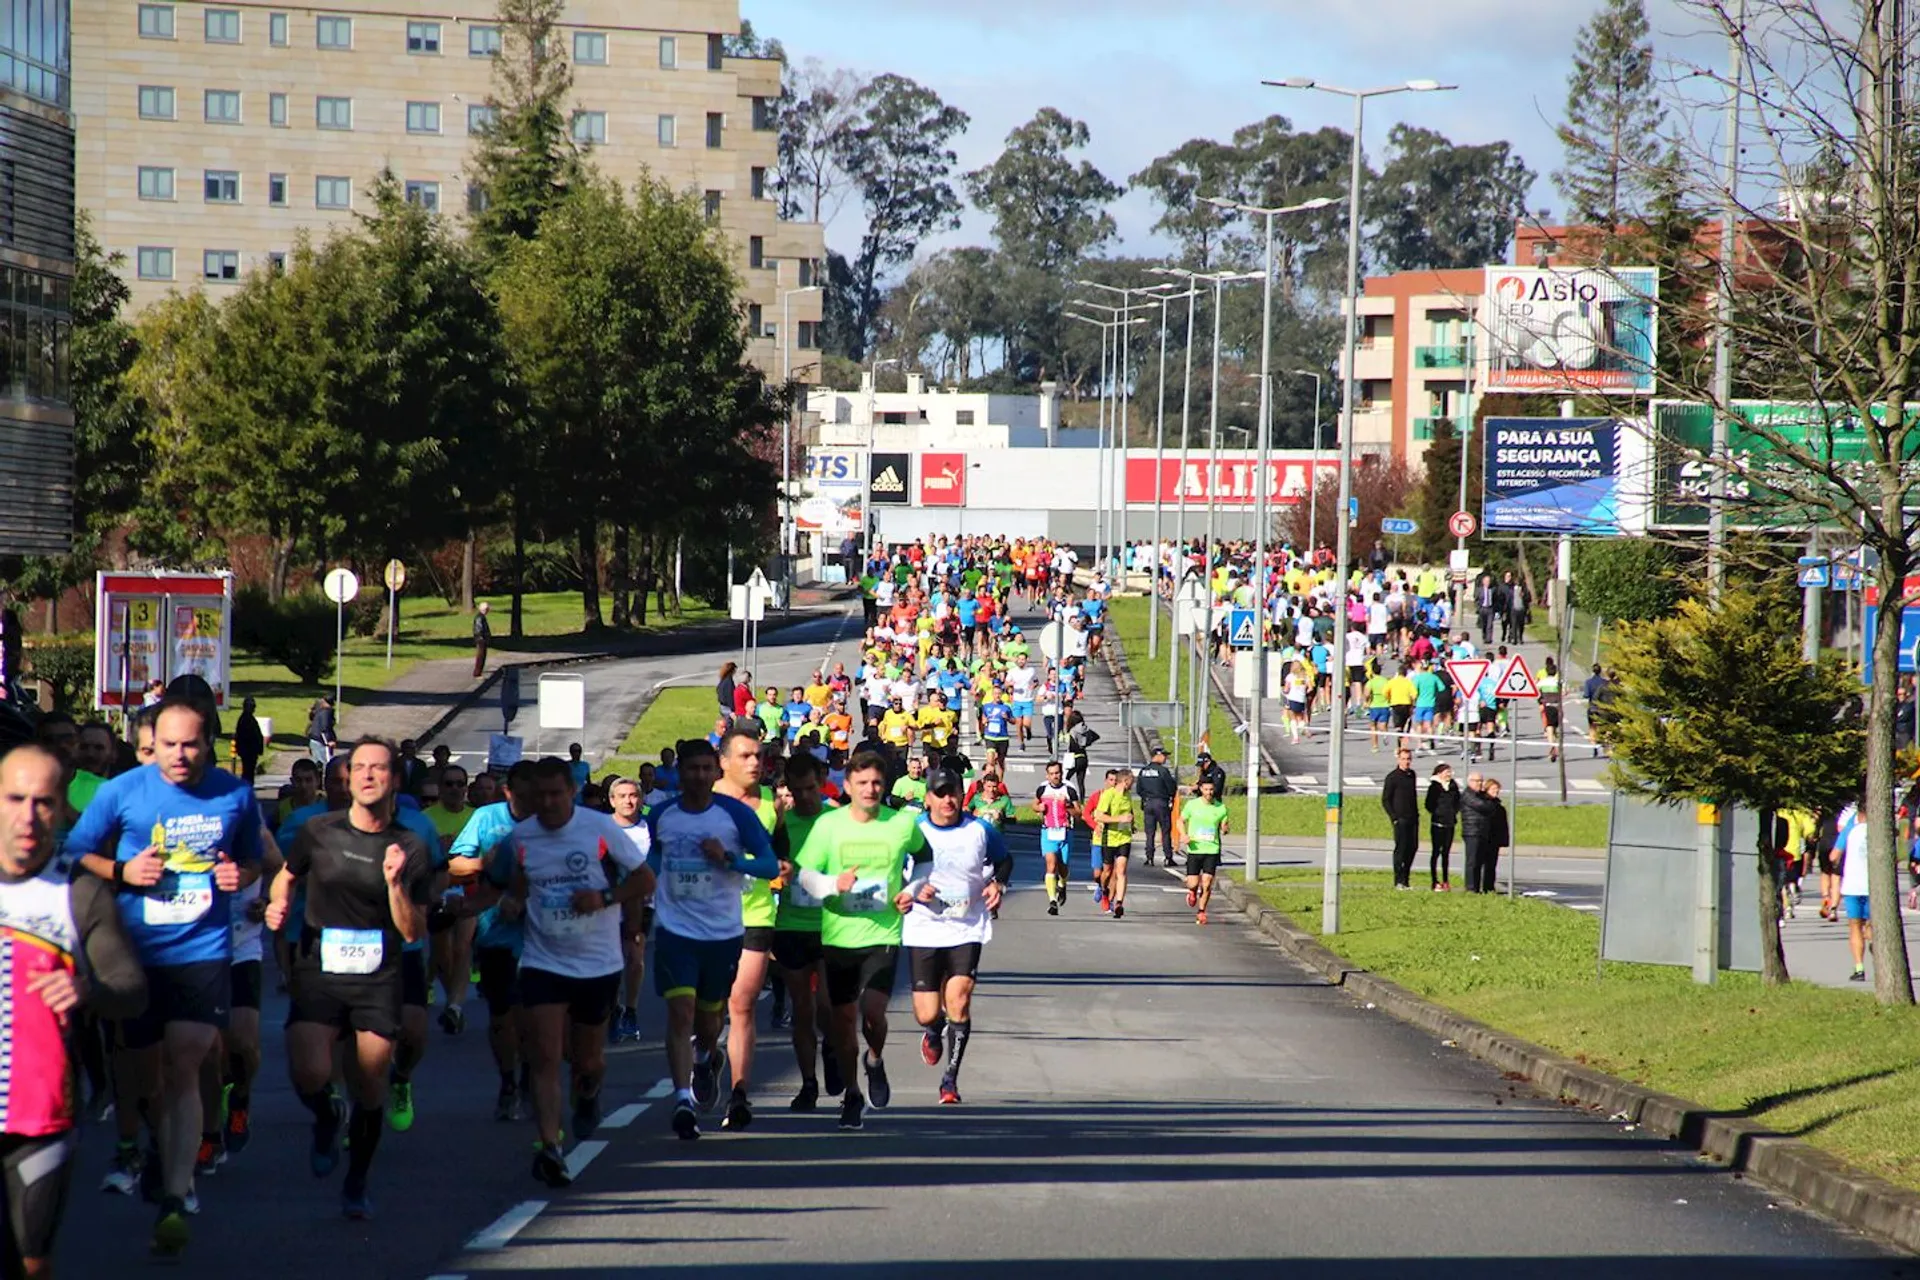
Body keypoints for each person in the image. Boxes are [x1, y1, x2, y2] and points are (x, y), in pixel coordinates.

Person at [65, 697, 263, 1257]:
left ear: (209, 743)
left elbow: (252, 861)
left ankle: (177, 1194)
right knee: (143, 1075)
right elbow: (78, 854)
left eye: (191, 744)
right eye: (169, 743)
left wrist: (236, 873)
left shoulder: (235, 794)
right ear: (154, 742)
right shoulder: (123, 792)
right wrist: (123, 870)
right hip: (134, 952)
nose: (179, 754)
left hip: (202, 950)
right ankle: (154, 1147)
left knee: (185, 1060)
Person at [266, 737, 434, 1219]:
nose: (365, 776)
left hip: (379, 974)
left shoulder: (410, 845)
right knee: (309, 1072)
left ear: (394, 780)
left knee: (369, 1079)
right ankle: (325, 1115)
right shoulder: (318, 831)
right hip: (320, 966)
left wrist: (396, 884)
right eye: (357, 768)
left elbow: (412, 928)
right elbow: (287, 875)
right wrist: (280, 901)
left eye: (377, 769)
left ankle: (357, 1179)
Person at [0, 744, 148, 1279]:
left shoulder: (78, 891)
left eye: (43, 802)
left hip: (40, 1114)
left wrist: (87, 990)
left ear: (64, 808)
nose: (28, 815)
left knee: (28, 1262)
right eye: (15, 798)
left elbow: (131, 988)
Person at [476, 757, 652, 1184]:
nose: (549, 802)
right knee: (545, 1056)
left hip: (597, 962)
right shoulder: (521, 837)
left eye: (557, 793)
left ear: (572, 792)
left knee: (587, 1060)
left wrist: (605, 896)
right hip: (542, 959)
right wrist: (502, 903)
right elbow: (502, 882)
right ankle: (550, 1146)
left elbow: (645, 880)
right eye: (541, 796)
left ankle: (588, 1094)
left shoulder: (599, 829)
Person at [644, 740, 780, 1141]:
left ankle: (706, 1056)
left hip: (722, 932)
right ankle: (682, 1098)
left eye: (707, 769)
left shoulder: (735, 814)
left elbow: (769, 863)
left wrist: (730, 859)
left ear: (716, 773)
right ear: (680, 773)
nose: (700, 776)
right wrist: (635, 890)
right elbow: (652, 860)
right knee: (680, 1011)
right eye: (692, 769)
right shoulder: (662, 814)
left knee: (708, 1020)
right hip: (675, 929)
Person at [790, 751, 930, 1131]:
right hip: (838, 935)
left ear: (884, 787)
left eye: (877, 783)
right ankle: (853, 1093)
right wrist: (834, 884)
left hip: (883, 932)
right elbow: (805, 877)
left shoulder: (901, 824)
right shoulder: (828, 825)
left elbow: (926, 858)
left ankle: (876, 1059)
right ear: (848, 785)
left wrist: (913, 889)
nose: (870, 789)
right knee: (844, 1020)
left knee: (873, 1012)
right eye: (863, 782)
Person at [902, 768, 1010, 1106]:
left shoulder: (979, 830)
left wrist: (997, 884)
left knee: (960, 999)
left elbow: (1005, 860)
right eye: (941, 793)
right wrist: (912, 890)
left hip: (966, 925)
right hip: (924, 926)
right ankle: (933, 1031)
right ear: (928, 797)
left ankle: (950, 1080)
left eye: (954, 793)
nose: (948, 800)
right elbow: (893, 868)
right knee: (926, 1011)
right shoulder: (913, 830)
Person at [770, 751, 841, 1110]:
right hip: (791, 925)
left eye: (811, 788)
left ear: (822, 781)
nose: (805, 797)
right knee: (802, 1010)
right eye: (797, 791)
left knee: (827, 1005)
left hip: (831, 926)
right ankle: (809, 1083)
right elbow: (764, 866)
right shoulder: (781, 824)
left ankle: (831, 1046)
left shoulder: (838, 819)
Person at [1176, 776, 1229, 925]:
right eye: (1206, 789)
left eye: (1211, 789)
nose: (1209, 792)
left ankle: (1201, 911)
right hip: (1194, 849)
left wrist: (1225, 829)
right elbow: (1180, 821)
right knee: (1193, 883)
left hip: (1211, 849)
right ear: (1201, 789)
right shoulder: (1192, 805)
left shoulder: (1221, 808)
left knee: (1207, 882)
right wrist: (1183, 835)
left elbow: (1224, 826)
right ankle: (1192, 892)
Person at [1088, 768, 1140, 919]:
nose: (1133, 784)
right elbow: (1098, 816)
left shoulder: (1128, 796)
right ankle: (1104, 891)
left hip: (1124, 838)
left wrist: (1132, 823)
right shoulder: (1109, 795)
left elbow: (1129, 812)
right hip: (1109, 838)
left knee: (1121, 870)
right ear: (1125, 781)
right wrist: (1119, 819)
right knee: (1107, 872)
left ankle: (1118, 903)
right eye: (1132, 781)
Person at [1033, 760, 1080, 917]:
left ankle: (1062, 883)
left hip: (1065, 832)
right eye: (1052, 774)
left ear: (1061, 773)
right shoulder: (1042, 789)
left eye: (1057, 773)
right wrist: (1038, 808)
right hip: (1048, 832)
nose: (1055, 776)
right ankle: (1052, 901)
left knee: (1063, 866)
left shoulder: (1069, 790)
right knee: (1051, 865)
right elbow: (1034, 804)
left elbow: (1078, 813)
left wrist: (1068, 806)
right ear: (1047, 775)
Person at [1838, 800, 1872, 982]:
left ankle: (1859, 967)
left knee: (1855, 926)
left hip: (1852, 885)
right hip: (1873, 887)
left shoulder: (1850, 831)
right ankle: (1880, 959)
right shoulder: (1881, 832)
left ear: (1858, 814)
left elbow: (1834, 854)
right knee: (1873, 926)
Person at [1381, 747, 1419, 890]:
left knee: (1413, 847)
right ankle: (1398, 880)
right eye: (1403, 759)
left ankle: (1406, 879)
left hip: (1413, 818)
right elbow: (1385, 799)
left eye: (1408, 759)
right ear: (1398, 759)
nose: (1406, 762)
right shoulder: (1392, 777)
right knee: (1401, 849)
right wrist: (1394, 817)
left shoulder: (1412, 775)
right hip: (1400, 819)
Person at [1464, 777, 1509, 894]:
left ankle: (1488, 887)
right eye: (1494, 789)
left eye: (1498, 789)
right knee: (1476, 863)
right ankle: (1473, 888)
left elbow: (1502, 825)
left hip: (1494, 839)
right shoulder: (1486, 804)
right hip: (1484, 836)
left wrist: (1503, 840)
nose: (1496, 791)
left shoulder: (1498, 806)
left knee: (1491, 865)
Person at [1135, 745, 1177, 869]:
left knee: (1150, 832)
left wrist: (1146, 797)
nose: (1165, 758)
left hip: (1148, 803)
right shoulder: (1163, 771)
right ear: (1157, 756)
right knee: (1165, 830)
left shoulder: (1143, 771)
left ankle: (1149, 857)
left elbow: (1139, 789)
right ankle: (1168, 857)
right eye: (1164, 756)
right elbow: (1171, 787)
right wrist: (1169, 796)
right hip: (1161, 803)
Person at [1425, 763, 1461, 891]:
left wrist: (1453, 812)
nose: (1449, 774)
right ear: (1439, 773)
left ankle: (1446, 880)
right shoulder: (1434, 787)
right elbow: (1428, 804)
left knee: (1446, 853)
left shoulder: (1453, 786)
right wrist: (1438, 813)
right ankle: (1434, 881)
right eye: (1446, 772)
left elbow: (1458, 801)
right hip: (1437, 824)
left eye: (1450, 772)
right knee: (1436, 852)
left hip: (1450, 824)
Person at [232, 698, 264, 784]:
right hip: (248, 752)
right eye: (251, 706)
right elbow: (245, 737)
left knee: (249, 773)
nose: (253, 708)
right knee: (248, 773)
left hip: (250, 752)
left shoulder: (249, 719)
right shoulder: (245, 719)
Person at [305, 697, 336, 767]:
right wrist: (329, 741)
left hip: (314, 739)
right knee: (325, 763)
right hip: (320, 741)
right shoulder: (326, 712)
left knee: (316, 763)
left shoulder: (319, 711)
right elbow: (325, 728)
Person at [472, 601, 492, 679]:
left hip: (482, 639)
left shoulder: (481, 617)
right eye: (487, 609)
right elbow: (478, 629)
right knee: (480, 657)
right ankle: (477, 673)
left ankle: (479, 672)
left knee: (482, 657)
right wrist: (482, 638)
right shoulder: (479, 617)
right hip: (481, 640)